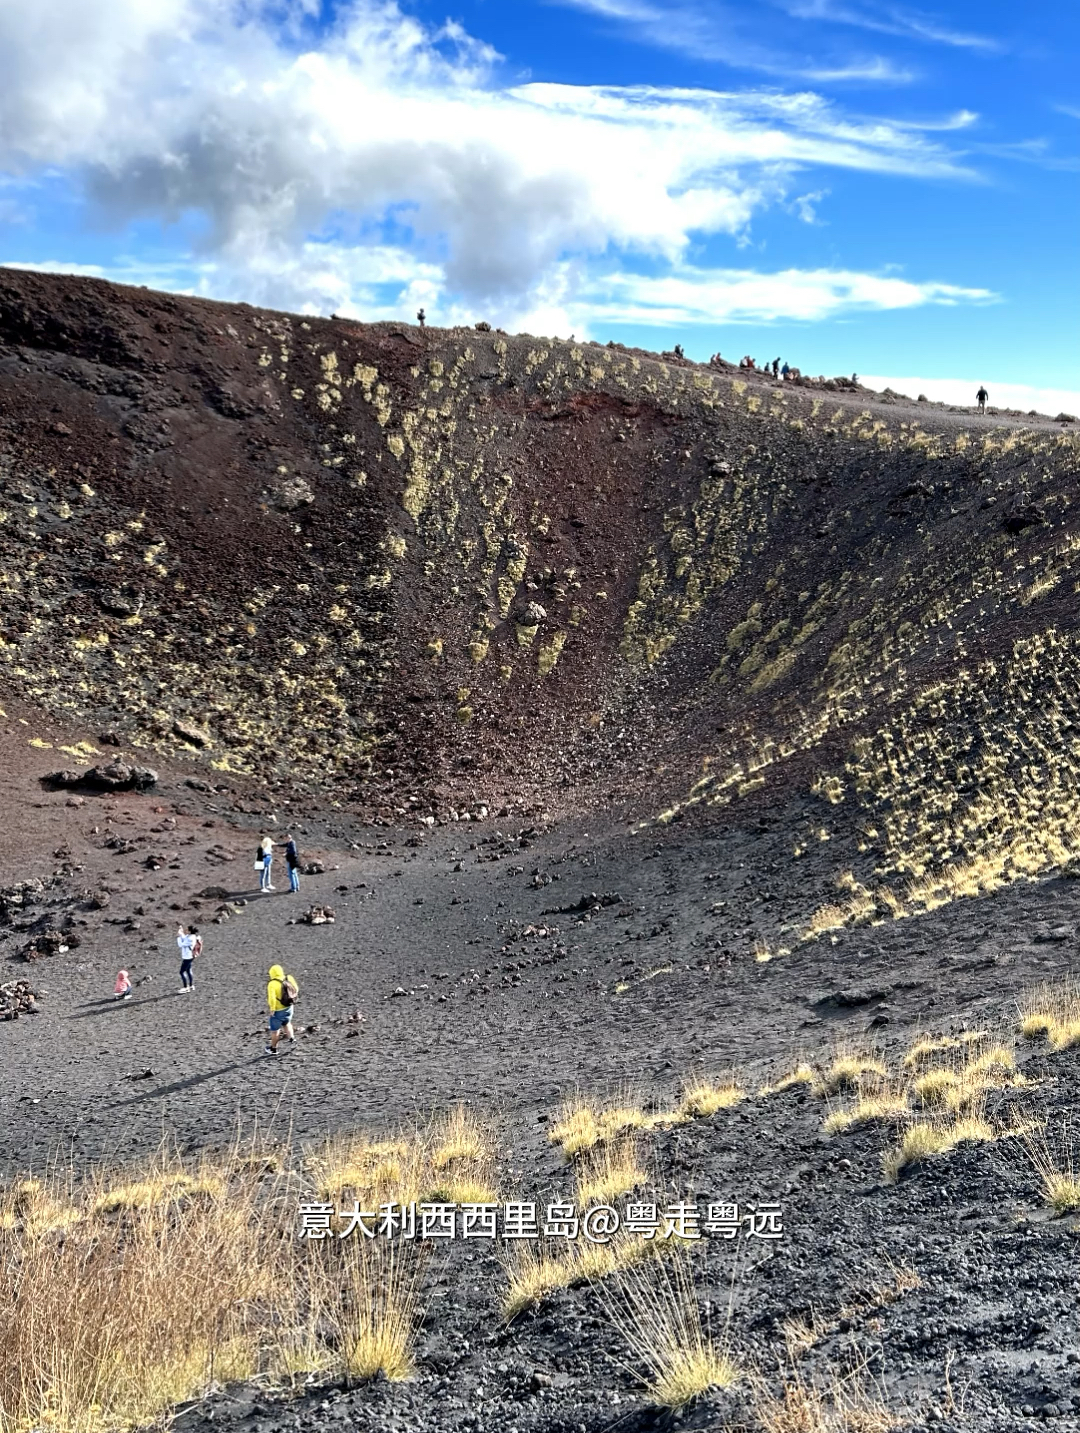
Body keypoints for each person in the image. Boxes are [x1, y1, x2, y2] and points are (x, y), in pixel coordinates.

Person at [265, 964, 299, 1054]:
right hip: (289, 1007)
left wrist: (272, 1009)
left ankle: (273, 1048)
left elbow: (272, 998)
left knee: (275, 1030)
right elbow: (296, 989)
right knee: (287, 1023)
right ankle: (292, 1040)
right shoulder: (289, 978)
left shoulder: (272, 984)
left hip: (278, 1010)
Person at [177, 925, 197, 991]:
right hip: (189, 956)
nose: (186, 930)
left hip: (187, 957)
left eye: (187, 929)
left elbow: (181, 944)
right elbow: (184, 938)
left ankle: (185, 987)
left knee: (181, 972)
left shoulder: (190, 939)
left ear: (189, 931)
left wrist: (178, 937)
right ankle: (191, 985)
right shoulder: (192, 936)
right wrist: (181, 932)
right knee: (188, 971)